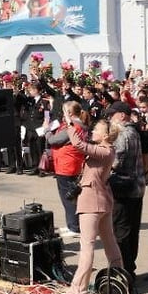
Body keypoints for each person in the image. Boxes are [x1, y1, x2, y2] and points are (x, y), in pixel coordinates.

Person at [56, 119, 124, 294]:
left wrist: (70, 125)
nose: (93, 130)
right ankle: (119, 281)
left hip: (92, 202)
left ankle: (77, 293)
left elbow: (78, 144)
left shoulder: (104, 150)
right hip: (102, 201)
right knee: (110, 243)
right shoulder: (106, 150)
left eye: (97, 129)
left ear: (105, 135)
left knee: (87, 248)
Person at [105, 102, 145, 288]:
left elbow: (116, 162)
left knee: (121, 232)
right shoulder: (134, 131)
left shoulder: (123, 134)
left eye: (111, 115)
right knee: (132, 230)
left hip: (124, 189)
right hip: (136, 188)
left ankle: (123, 271)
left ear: (121, 115)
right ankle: (129, 268)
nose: (109, 119)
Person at [46, 100, 87, 238]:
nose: (62, 114)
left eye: (64, 111)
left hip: (67, 165)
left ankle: (74, 227)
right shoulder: (76, 125)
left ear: (69, 113)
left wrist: (47, 131)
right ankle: (72, 224)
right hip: (69, 164)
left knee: (68, 197)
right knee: (69, 197)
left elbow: (53, 140)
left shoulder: (74, 126)